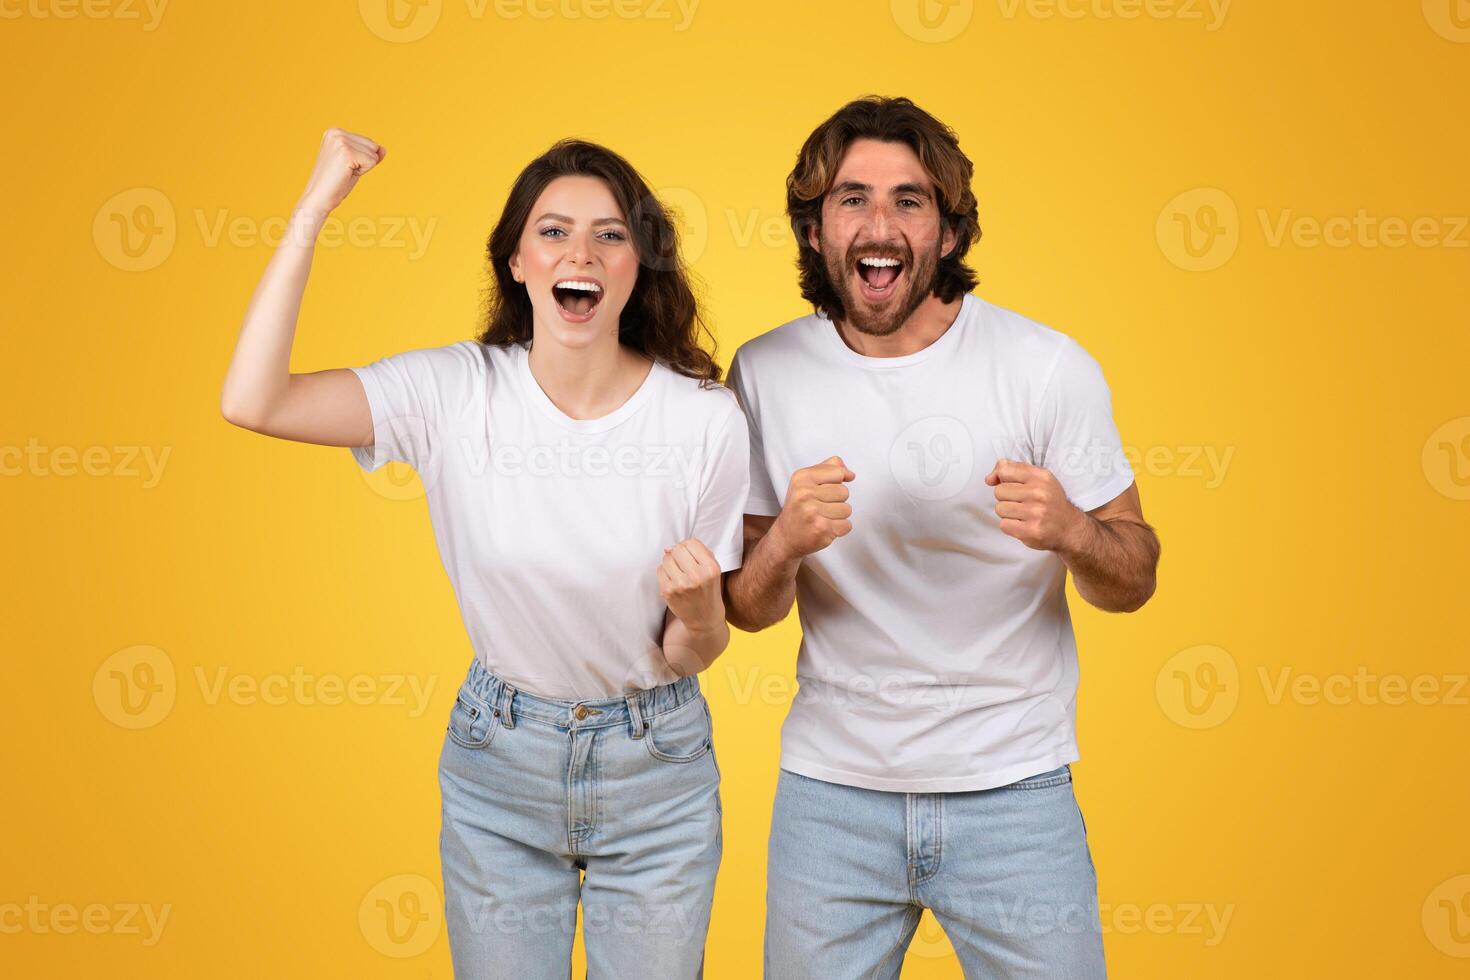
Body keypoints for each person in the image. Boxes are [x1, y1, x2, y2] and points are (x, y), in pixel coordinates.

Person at [221, 129, 748, 979]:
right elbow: (254, 399)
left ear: (639, 263)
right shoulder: (451, 393)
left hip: (657, 767)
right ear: (516, 261)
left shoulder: (703, 420)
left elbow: (697, 651)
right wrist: (314, 208)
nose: (580, 251)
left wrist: (698, 613)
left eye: (609, 234)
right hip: (500, 763)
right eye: (553, 230)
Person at [722, 96, 1161, 978]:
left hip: (1015, 791)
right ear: (815, 231)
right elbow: (747, 610)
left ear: (948, 234)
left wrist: (1075, 532)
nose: (878, 223)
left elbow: (1136, 571)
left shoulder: (1045, 367)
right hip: (833, 797)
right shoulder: (763, 371)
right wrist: (785, 546)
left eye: (909, 201)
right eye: (851, 199)